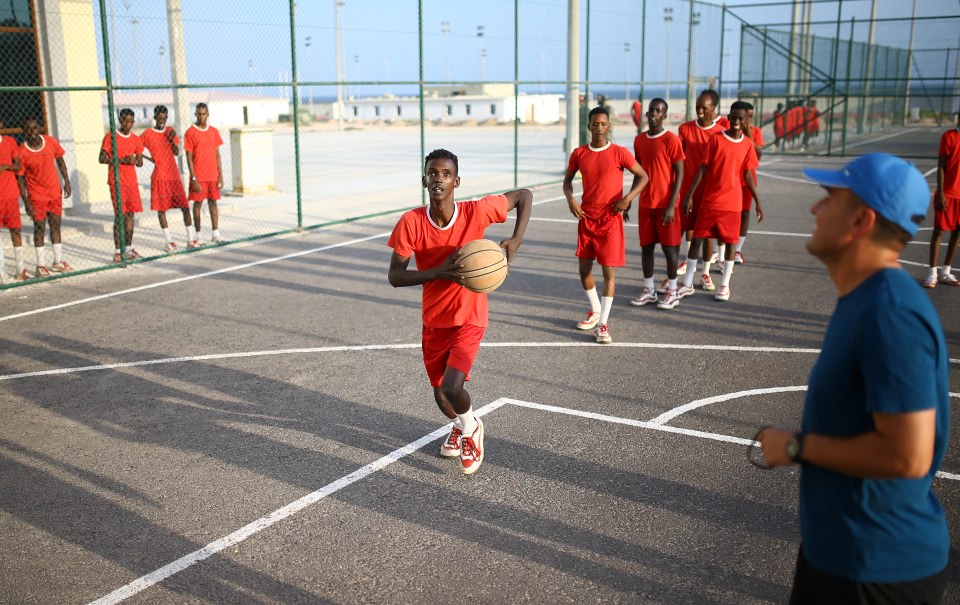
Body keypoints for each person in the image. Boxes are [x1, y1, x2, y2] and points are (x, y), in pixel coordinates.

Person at [757, 153, 950, 604]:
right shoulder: (864, 297)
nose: (815, 208)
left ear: (862, 220)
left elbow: (907, 455)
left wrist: (796, 446)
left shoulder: (891, 312)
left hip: (877, 570)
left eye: (829, 198)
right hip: (837, 552)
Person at [387, 149, 532, 476]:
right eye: (432, 173)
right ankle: (459, 424)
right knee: (441, 396)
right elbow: (395, 276)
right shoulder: (411, 222)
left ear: (457, 181)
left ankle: (472, 429)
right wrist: (439, 272)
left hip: (470, 316)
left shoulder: (475, 212)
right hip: (434, 320)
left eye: (446, 174)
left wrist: (516, 240)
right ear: (424, 180)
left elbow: (524, 195)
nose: (438, 178)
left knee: (453, 388)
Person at [563, 106, 648, 343]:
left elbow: (643, 176)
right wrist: (571, 200)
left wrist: (627, 198)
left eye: (603, 124)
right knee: (584, 270)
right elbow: (567, 182)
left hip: (610, 220)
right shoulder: (579, 153)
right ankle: (595, 310)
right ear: (589, 126)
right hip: (586, 219)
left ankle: (603, 325)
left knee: (608, 271)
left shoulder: (620, 152)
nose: (599, 128)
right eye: (595, 124)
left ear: (609, 126)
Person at [678, 101, 762, 302]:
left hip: (733, 204)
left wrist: (758, 201)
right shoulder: (716, 139)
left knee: (731, 243)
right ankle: (687, 283)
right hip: (710, 201)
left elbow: (748, 175)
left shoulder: (747, 145)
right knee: (697, 240)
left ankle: (724, 286)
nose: (736, 121)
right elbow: (703, 168)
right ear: (728, 117)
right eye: (734, 117)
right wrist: (689, 195)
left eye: (741, 118)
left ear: (746, 121)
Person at [631, 98, 685, 310]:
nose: (654, 113)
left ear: (664, 115)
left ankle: (672, 291)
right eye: (651, 110)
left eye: (658, 111)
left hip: (666, 206)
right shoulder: (639, 140)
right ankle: (649, 290)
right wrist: (630, 198)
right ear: (646, 114)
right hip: (646, 204)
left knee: (670, 250)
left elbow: (680, 173)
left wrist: (672, 205)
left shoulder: (671, 139)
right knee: (646, 248)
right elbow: (638, 173)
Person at [677, 89, 729, 283]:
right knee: (684, 229)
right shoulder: (685, 129)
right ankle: (682, 267)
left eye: (704, 108)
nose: (699, 111)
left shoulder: (720, 133)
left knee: (707, 235)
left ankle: (705, 273)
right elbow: (678, 159)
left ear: (713, 108)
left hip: (709, 192)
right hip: (687, 190)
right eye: (697, 107)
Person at [16, 117, 73, 276]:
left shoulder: (50, 142)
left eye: (34, 128)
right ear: (24, 131)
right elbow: (20, 179)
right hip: (37, 196)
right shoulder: (22, 152)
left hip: (54, 193)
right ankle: (40, 265)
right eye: (28, 129)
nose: (32, 132)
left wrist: (67, 182)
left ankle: (57, 261)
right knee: (39, 228)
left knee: (55, 226)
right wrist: (26, 202)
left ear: (39, 128)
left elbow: (60, 161)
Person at [141, 105, 196, 252]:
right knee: (162, 210)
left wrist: (171, 139)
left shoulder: (170, 131)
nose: (162, 121)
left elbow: (176, 152)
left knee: (185, 207)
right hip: (159, 177)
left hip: (174, 176)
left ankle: (190, 239)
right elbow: (136, 148)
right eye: (159, 118)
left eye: (164, 118)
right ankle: (169, 241)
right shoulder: (147, 134)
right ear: (155, 118)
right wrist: (149, 158)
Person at [100, 108, 144, 262]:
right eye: (125, 121)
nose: (128, 124)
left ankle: (128, 248)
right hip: (117, 181)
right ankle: (118, 251)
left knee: (131, 215)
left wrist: (136, 160)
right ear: (120, 120)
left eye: (131, 121)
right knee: (120, 215)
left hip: (131, 182)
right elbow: (102, 158)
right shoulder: (110, 137)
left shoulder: (136, 139)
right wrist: (122, 160)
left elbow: (140, 162)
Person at [923, 109, 960, 288]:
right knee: (938, 231)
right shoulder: (949, 136)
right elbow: (942, 167)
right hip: (948, 194)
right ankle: (932, 274)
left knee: (958, 233)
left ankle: (946, 271)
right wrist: (942, 193)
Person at [184, 103, 224, 245]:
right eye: (199, 114)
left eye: (204, 114)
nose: (201, 117)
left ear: (208, 114)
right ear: (195, 114)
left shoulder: (213, 131)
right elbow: (188, 157)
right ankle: (198, 235)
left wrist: (220, 175)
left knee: (213, 203)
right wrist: (193, 177)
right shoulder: (190, 132)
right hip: (199, 176)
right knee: (198, 205)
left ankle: (215, 234)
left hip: (213, 175)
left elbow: (217, 154)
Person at [735, 102, 765, 265]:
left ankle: (738, 249)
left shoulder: (755, 131)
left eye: (752, 117)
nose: (749, 120)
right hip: (731, 179)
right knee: (728, 214)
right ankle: (720, 251)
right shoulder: (731, 130)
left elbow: (758, 155)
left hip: (747, 179)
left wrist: (749, 135)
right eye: (748, 116)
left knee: (744, 213)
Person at [0, 118, 26, 282]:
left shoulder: (9, 142)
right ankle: (1, 273)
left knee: (15, 231)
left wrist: (6, 166)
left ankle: (20, 269)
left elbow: (18, 166)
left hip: (10, 195)